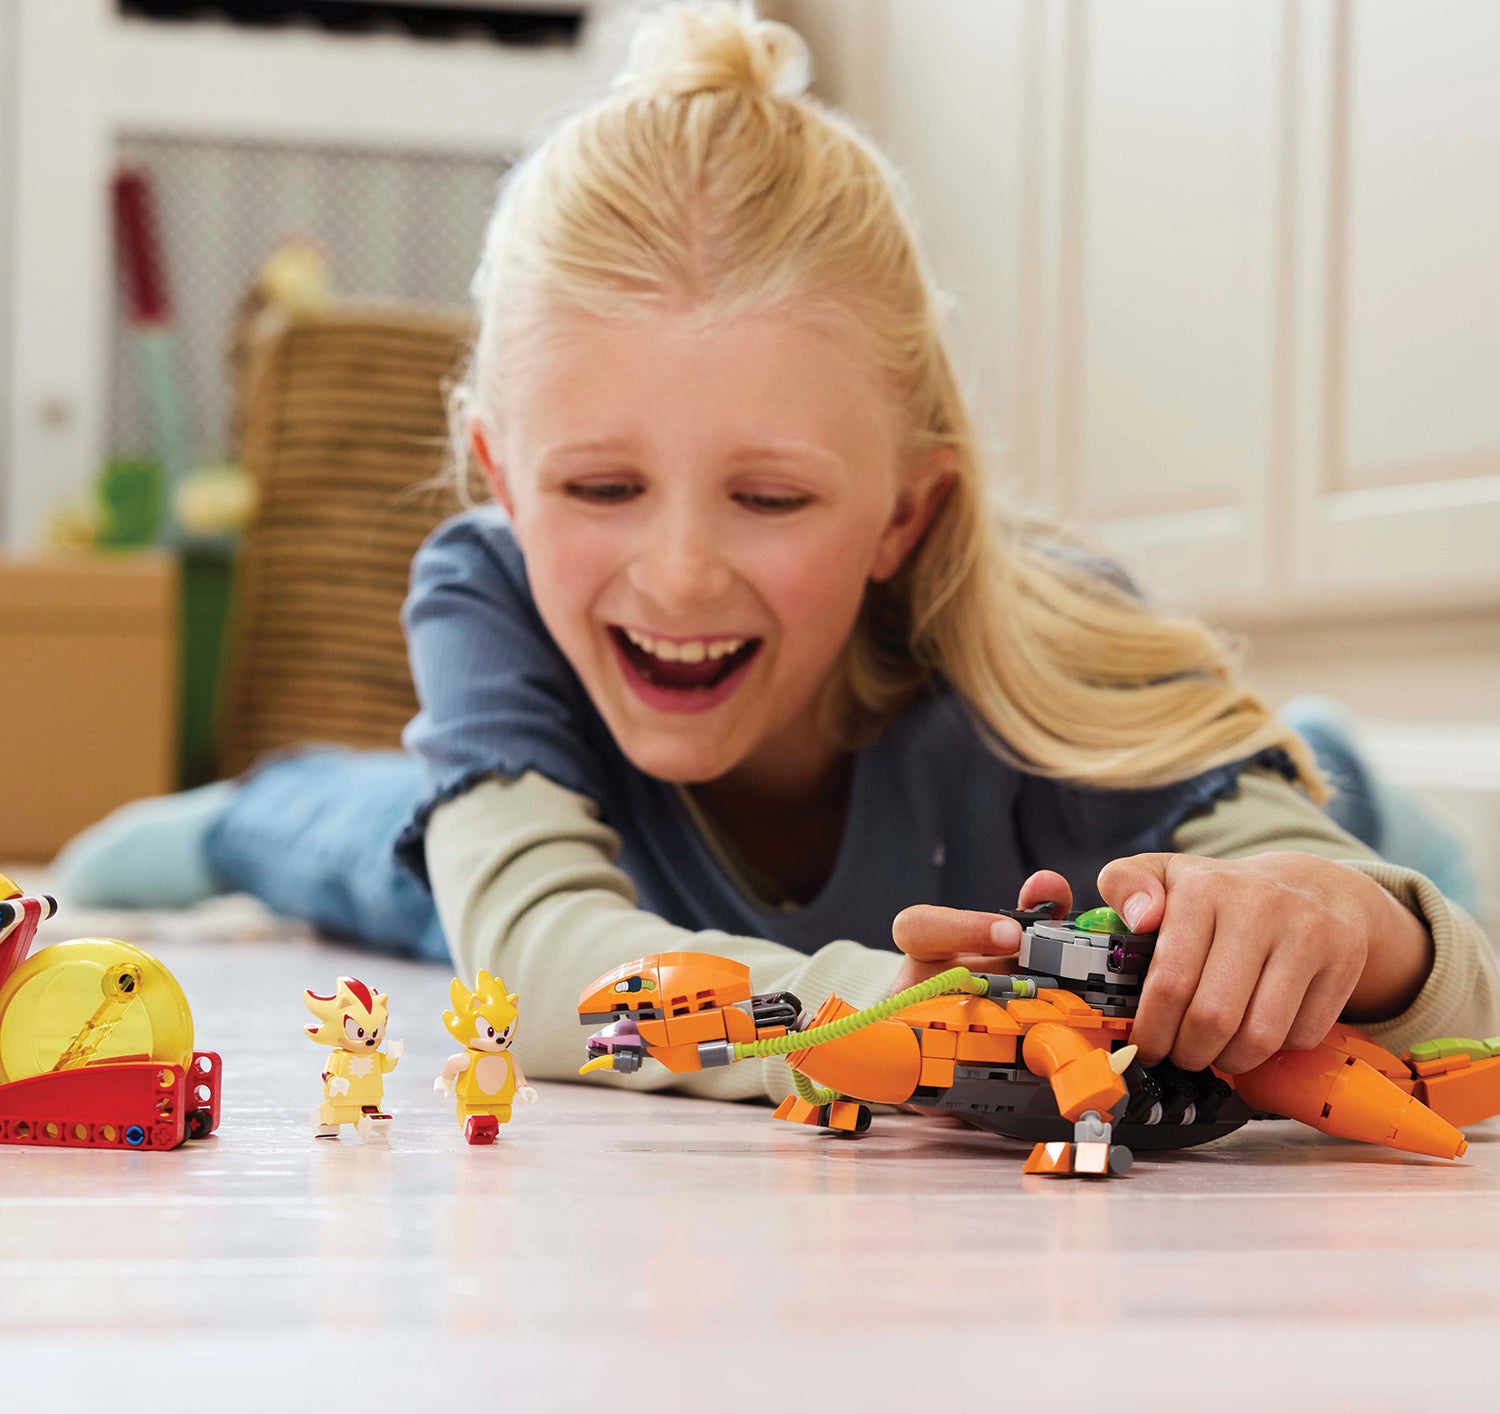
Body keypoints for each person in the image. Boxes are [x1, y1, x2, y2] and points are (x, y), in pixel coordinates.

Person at [55, 1, 1496, 1108]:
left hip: (1153, 774)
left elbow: (1461, 1000)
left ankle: (1333, 756)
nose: (680, 575)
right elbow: (544, 970)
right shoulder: (495, 593)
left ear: (903, 516)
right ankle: (229, 811)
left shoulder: (1059, 662)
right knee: (379, 863)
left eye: (772, 498)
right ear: (501, 480)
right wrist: (891, 1021)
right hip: (586, 853)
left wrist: (1360, 928)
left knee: (1346, 818)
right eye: (602, 486)